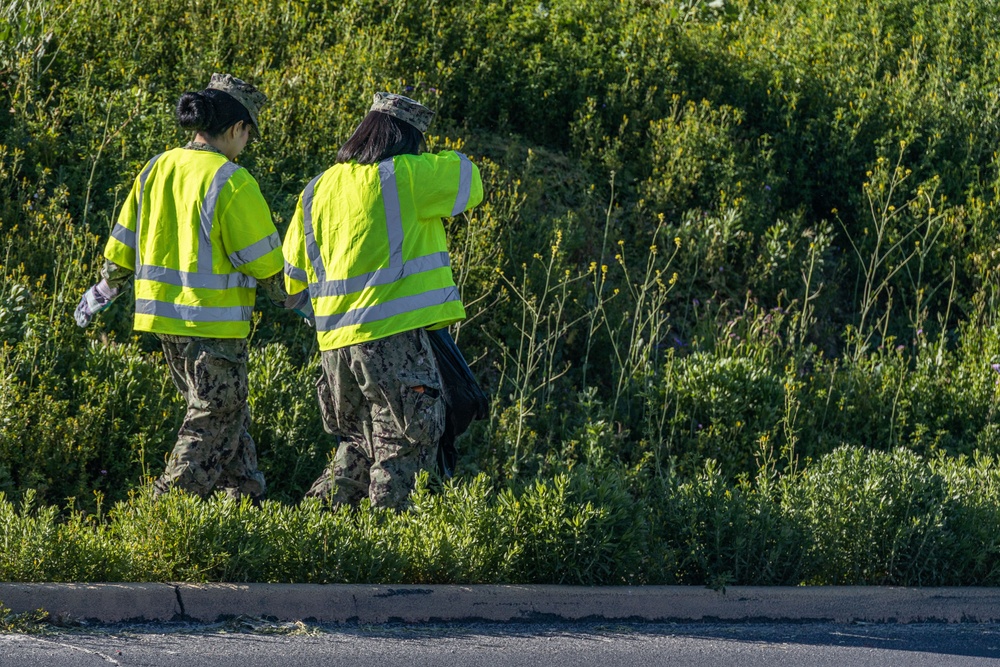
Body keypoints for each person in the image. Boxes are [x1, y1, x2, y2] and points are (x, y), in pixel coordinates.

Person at [75, 73, 287, 501]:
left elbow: (123, 241)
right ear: (235, 129)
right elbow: (265, 263)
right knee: (211, 419)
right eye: (248, 135)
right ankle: (164, 514)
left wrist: (105, 287)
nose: (246, 145)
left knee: (227, 417)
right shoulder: (230, 179)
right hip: (214, 326)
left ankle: (244, 507)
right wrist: (301, 301)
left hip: (164, 321)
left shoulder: (157, 167)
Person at [282, 92, 484, 509]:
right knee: (403, 445)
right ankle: (386, 547)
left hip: (334, 347)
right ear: (407, 141)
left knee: (356, 447)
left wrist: (329, 319)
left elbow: (292, 282)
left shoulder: (316, 189)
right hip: (395, 341)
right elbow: (471, 181)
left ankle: (317, 536)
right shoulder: (405, 174)